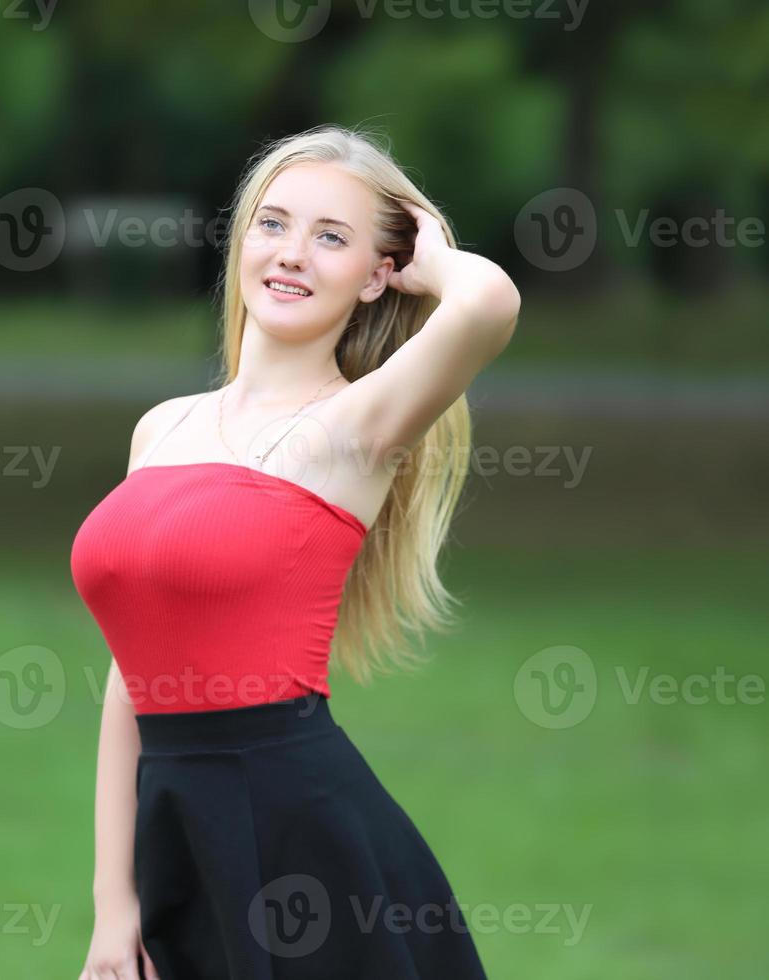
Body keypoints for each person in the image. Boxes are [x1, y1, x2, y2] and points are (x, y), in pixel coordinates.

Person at [70, 124, 520, 979]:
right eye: (272, 224)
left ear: (376, 275)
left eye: (332, 238)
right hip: (171, 827)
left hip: (296, 828)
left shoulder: (354, 428)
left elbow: (489, 302)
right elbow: (130, 672)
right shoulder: (161, 428)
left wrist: (426, 250)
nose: (291, 255)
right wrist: (111, 906)